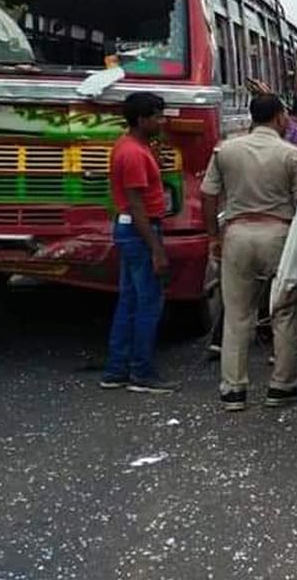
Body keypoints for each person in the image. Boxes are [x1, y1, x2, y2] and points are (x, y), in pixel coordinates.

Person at [202, 94, 297, 411]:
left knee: (236, 315)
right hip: (279, 234)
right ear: (278, 117)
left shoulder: (226, 150)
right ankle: (281, 385)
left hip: (237, 233)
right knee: (285, 311)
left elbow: (208, 195)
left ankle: (233, 390)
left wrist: (213, 236)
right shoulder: (293, 155)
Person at [99, 92, 180, 394]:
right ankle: (142, 371)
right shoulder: (133, 154)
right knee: (149, 303)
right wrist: (157, 250)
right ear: (141, 119)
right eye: (157, 117)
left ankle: (116, 369)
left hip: (129, 231)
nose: (162, 121)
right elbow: (136, 206)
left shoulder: (130, 147)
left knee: (129, 301)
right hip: (140, 232)